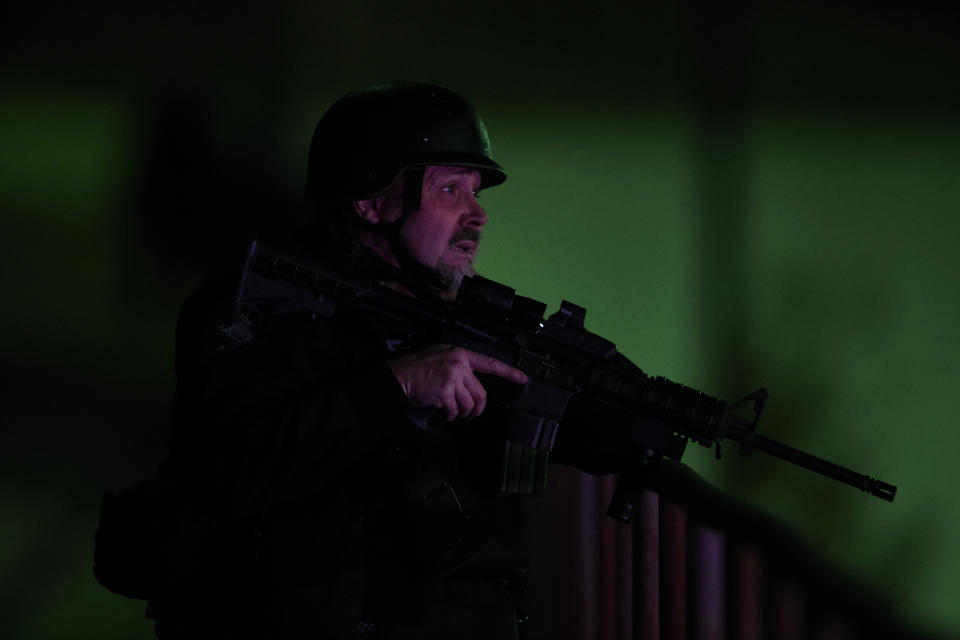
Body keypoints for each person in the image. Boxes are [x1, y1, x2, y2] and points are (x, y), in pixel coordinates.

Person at [150, 82, 533, 639]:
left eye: (476, 193)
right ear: (371, 201)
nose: (477, 215)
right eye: (451, 190)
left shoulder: (451, 319)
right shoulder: (260, 309)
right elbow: (231, 472)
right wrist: (394, 386)